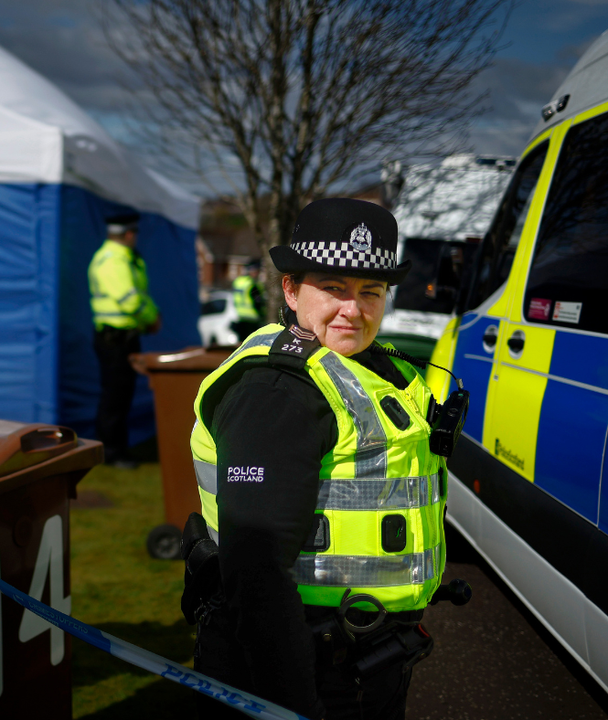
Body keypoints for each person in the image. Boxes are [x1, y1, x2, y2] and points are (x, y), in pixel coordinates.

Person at [186, 198, 447, 719]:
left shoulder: (367, 367)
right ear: (290, 288)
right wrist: (291, 704)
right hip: (297, 669)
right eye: (333, 288)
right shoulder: (277, 392)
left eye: (370, 292)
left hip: (362, 657)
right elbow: (256, 571)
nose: (353, 309)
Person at [88, 211, 161, 469]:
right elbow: (130, 299)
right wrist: (151, 318)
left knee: (119, 396)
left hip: (121, 338)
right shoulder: (113, 261)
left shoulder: (122, 258)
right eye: (134, 233)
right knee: (115, 397)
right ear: (128, 234)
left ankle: (113, 449)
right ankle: (111, 452)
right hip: (115, 339)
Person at [229, 261, 266, 341]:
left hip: (240, 316)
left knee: (241, 343)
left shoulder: (238, 281)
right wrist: (263, 314)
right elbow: (257, 302)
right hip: (252, 318)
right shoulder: (252, 284)